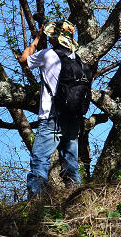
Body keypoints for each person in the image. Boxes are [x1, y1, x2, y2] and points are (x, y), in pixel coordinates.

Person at [19, 19, 82, 199]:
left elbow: (23, 59)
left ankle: (36, 203)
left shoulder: (48, 55)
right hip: (72, 117)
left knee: (39, 159)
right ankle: (78, 200)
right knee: (71, 162)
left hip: (52, 117)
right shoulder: (76, 58)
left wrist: (37, 38)